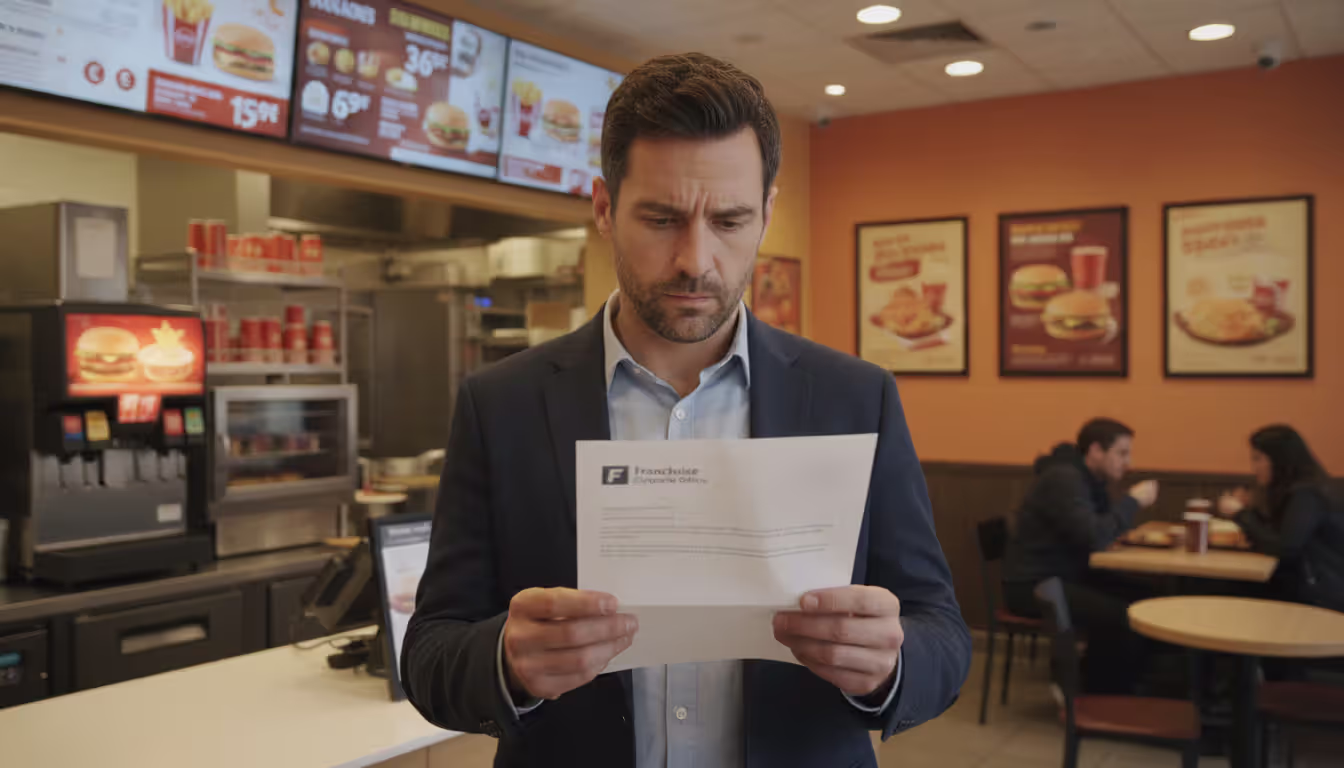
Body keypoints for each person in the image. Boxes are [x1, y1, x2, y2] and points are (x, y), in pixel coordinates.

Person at [399, 53, 970, 768]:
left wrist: (892, 662)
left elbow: (942, 633)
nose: (695, 260)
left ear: (767, 214)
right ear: (604, 209)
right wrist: (505, 661)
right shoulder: (501, 404)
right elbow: (430, 652)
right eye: (662, 218)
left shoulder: (856, 397)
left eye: (729, 220)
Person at [1001, 418, 1158, 694]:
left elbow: (1098, 531)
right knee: (1124, 616)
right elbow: (1094, 536)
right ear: (1096, 450)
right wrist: (1132, 501)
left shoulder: (1088, 479)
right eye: (1122, 453)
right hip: (1034, 585)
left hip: (1063, 574)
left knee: (1149, 597)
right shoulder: (1064, 479)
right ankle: (1097, 693)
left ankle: (1128, 681)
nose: (1128, 463)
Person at [1217, 425, 1344, 613]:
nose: (1254, 468)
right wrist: (1249, 513)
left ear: (1279, 460)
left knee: (1218, 592)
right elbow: (1276, 534)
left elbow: (1284, 548)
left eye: (1258, 459)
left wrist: (1239, 514)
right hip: (1302, 586)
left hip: (1317, 595)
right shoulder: (1301, 489)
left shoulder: (1306, 494)